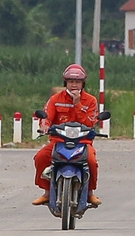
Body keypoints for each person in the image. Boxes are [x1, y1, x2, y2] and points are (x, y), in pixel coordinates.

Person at [33, 63, 105, 207]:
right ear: (65, 82)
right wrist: (45, 126)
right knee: (40, 157)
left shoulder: (91, 101)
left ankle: (90, 193)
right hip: (59, 141)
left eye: (77, 82)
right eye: (71, 81)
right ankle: (47, 192)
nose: (74, 85)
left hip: (82, 142)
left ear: (83, 83)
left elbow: (90, 122)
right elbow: (47, 117)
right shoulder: (55, 99)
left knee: (91, 161)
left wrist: (77, 104)